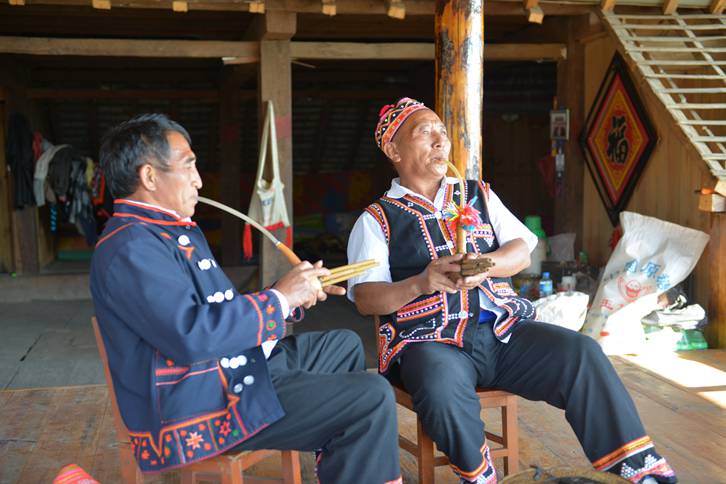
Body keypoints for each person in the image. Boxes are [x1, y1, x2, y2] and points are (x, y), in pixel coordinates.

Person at [346, 97, 677, 484]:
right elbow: (366, 298)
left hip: (503, 334)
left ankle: (638, 468)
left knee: (581, 352)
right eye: (424, 132)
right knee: (439, 385)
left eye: (441, 130)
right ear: (393, 149)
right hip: (431, 342)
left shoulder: (477, 194)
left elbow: (521, 249)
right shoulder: (377, 219)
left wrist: (485, 266)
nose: (440, 140)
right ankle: (481, 476)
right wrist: (422, 282)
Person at [90, 114, 402, 483]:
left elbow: (214, 313)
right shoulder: (133, 246)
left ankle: (344, 465)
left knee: (344, 345)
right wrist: (278, 299)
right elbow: (191, 336)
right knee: (370, 397)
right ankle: (348, 454)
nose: (199, 180)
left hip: (229, 372)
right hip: (201, 402)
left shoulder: (163, 232)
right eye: (189, 166)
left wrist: (291, 297)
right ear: (149, 176)